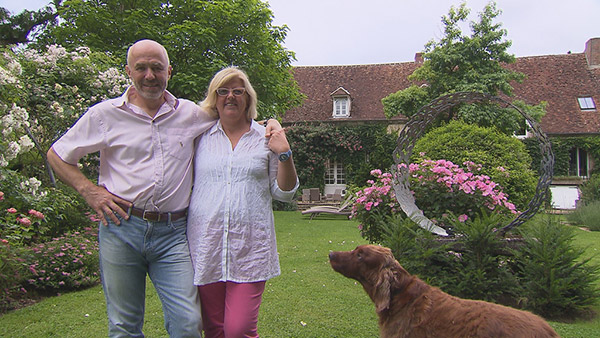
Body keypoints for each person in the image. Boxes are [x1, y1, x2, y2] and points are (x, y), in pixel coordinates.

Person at [47, 40, 281, 337]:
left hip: (173, 234)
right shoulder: (104, 115)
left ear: (168, 71)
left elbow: (234, 113)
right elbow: (57, 154)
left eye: (156, 68)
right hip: (122, 227)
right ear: (128, 72)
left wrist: (269, 123)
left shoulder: (190, 114)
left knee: (188, 323)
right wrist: (88, 190)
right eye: (141, 68)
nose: (149, 75)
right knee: (123, 325)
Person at [186, 66, 299, 338]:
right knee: (214, 329)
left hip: (250, 250)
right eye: (223, 91)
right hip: (206, 246)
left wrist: (284, 154)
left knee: (238, 330)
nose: (230, 97)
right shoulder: (199, 137)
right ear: (214, 98)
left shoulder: (265, 137)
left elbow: (284, 193)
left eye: (238, 91)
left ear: (248, 98)